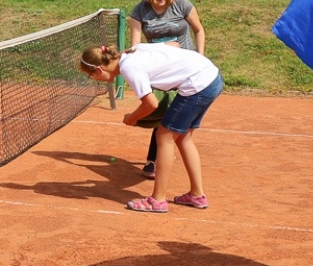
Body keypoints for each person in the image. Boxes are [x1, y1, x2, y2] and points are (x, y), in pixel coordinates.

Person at [78, 42, 223, 213]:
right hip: (211, 77)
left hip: (197, 86)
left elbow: (151, 104)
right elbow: (174, 45)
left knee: (164, 136)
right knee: (183, 138)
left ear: (99, 70)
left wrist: (132, 118)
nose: (93, 80)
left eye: (90, 76)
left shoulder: (129, 68)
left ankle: (157, 200)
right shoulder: (134, 50)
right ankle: (197, 195)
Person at [127, 0, 206, 180]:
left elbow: (199, 30)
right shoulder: (140, 11)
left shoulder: (182, 5)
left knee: (176, 117)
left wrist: (200, 56)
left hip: (186, 70)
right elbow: (135, 47)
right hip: (159, 72)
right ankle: (156, 159)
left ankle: (157, 159)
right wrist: (164, 46)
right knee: (165, 114)